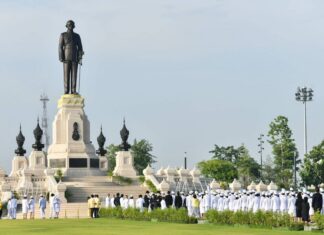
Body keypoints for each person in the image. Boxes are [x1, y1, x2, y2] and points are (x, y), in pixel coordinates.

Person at [58, 20, 84, 94]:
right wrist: (61, 57)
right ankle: (66, 90)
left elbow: (80, 48)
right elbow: (60, 47)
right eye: (69, 24)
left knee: (74, 74)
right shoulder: (63, 35)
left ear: (74, 26)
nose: (70, 26)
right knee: (66, 74)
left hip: (74, 57)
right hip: (66, 57)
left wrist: (80, 57)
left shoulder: (77, 36)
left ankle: (73, 90)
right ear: (66, 26)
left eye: (72, 24)